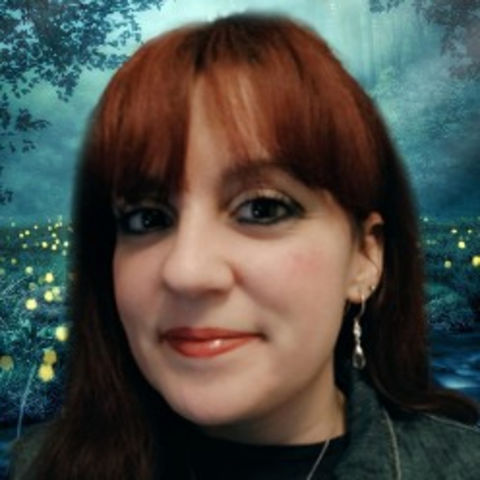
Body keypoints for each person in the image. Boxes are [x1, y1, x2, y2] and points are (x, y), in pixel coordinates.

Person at [10, 12, 480, 480]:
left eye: (262, 209)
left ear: (365, 257)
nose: (187, 272)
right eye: (147, 218)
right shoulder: (40, 467)